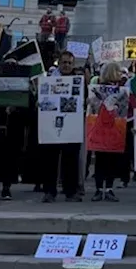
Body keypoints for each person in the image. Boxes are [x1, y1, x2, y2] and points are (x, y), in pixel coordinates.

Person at [42, 53, 85, 203]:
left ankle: (70, 192)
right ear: (59, 63)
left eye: (69, 63)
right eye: (64, 62)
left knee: (71, 160)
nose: (66, 65)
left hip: (72, 126)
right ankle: (49, 191)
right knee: (50, 160)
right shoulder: (48, 80)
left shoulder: (79, 81)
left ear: (73, 65)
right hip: (51, 126)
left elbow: (85, 101)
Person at [89, 62, 132, 202]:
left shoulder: (121, 90)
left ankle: (108, 188)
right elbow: (93, 105)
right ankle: (99, 189)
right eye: (118, 72)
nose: (121, 74)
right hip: (102, 126)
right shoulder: (98, 89)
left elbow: (124, 107)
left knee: (111, 160)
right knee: (101, 159)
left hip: (113, 126)